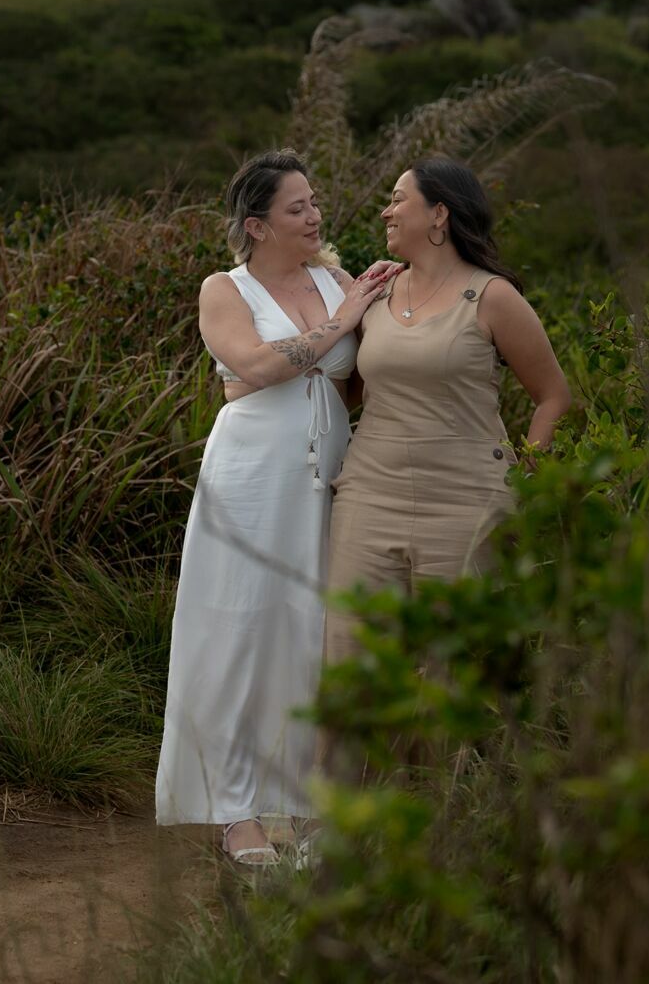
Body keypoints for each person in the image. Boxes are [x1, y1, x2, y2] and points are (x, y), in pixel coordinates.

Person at [155, 149, 398, 865]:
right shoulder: (224, 288)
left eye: (315, 201)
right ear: (257, 225)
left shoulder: (339, 278)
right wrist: (340, 324)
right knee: (241, 628)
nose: (315, 214)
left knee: (317, 630)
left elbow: (360, 376)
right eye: (297, 206)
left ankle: (309, 801)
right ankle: (234, 811)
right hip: (251, 477)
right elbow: (255, 368)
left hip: (331, 478)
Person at [323, 158, 572, 726]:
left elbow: (553, 397)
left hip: (466, 505)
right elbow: (350, 391)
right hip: (368, 498)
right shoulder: (376, 291)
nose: (385, 210)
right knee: (351, 657)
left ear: (439, 213)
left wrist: (525, 481)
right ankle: (344, 811)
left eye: (397, 198)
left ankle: (450, 810)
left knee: (456, 674)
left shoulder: (492, 297)